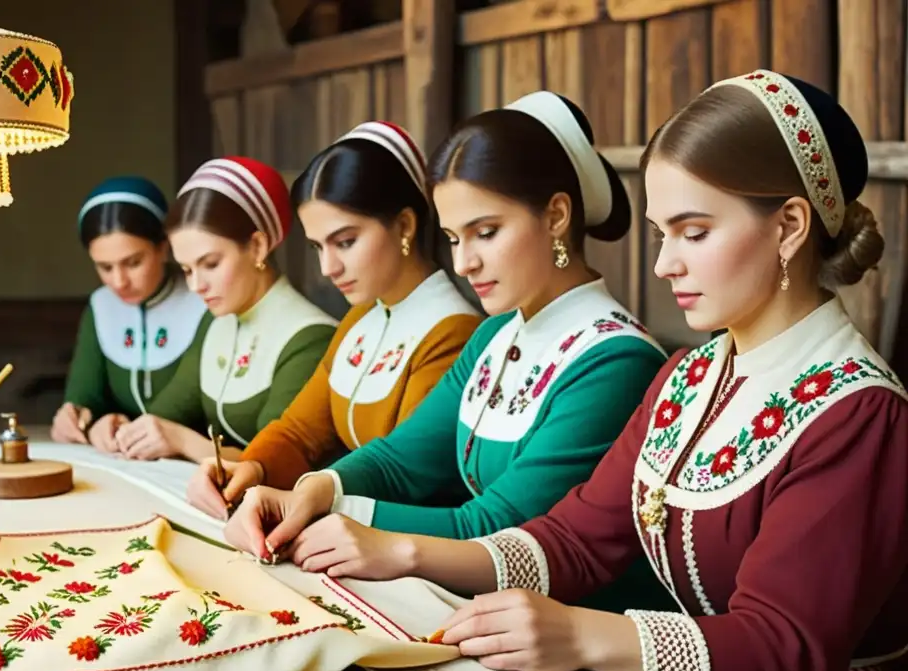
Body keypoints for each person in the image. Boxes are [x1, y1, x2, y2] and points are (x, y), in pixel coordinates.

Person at [266, 71, 908, 671]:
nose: (663, 264)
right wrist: (400, 550)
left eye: (694, 232)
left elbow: (787, 655)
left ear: (788, 226)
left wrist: (583, 635)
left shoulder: (857, 410)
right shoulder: (689, 376)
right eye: (663, 233)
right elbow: (576, 538)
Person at [223, 91, 676, 614]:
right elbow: (400, 460)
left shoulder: (615, 360)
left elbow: (495, 523)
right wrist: (317, 489)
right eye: (454, 238)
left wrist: (354, 521)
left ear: (555, 216)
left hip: (579, 624)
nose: (464, 263)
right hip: (493, 603)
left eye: (486, 232)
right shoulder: (493, 336)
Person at [185, 121, 482, 513]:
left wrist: (304, 497)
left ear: (405, 225)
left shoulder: (454, 331)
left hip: (400, 534)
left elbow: (404, 472)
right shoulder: (360, 319)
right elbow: (299, 431)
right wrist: (251, 467)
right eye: (316, 246)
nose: (328, 267)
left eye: (345, 242)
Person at [109, 157, 337, 463]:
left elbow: (273, 463)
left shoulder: (311, 338)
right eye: (187, 270)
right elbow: (166, 415)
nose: (196, 285)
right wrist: (113, 428)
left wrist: (182, 441)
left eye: (211, 264)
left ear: (257, 247)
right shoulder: (217, 322)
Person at [51, 176, 206, 448]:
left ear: (163, 246)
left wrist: (118, 429)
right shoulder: (101, 305)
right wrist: (77, 417)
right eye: (105, 267)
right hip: (125, 458)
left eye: (133, 263)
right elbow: (86, 395)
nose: (119, 282)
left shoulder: (204, 300)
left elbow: (187, 404)